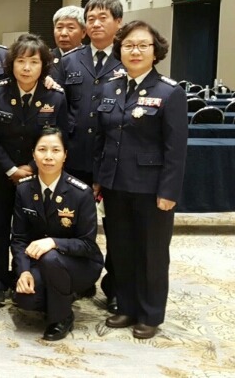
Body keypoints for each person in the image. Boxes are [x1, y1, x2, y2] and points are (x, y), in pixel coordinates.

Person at [93, 20, 187, 339]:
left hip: (151, 188)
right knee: (121, 249)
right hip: (115, 185)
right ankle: (126, 306)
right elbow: (103, 139)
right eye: (129, 45)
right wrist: (99, 178)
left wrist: (169, 191)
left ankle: (150, 314)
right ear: (119, 50)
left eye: (143, 45)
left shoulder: (169, 92)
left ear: (155, 52)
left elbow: (176, 149)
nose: (135, 51)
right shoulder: (110, 88)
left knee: (152, 253)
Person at [0, 33, 67, 305]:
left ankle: (24, 276)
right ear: (11, 63)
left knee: (29, 228)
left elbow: (58, 136)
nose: (26, 68)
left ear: (44, 66)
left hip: (37, 174)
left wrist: (29, 167)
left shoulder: (55, 96)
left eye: (34, 62)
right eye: (20, 61)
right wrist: (11, 169)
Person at [53, 0, 124, 312]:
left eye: (103, 18)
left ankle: (116, 287)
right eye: (91, 18)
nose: (96, 24)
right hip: (74, 158)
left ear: (118, 23)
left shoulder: (128, 58)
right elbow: (55, 110)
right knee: (69, 223)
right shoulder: (69, 62)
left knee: (117, 227)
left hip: (114, 159)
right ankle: (77, 279)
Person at [12, 127, 104, 341]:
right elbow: (19, 239)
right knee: (24, 299)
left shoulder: (80, 193)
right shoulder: (24, 189)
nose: (48, 156)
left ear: (65, 155)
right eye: (42, 149)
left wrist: (53, 242)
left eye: (55, 150)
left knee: (51, 257)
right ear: (33, 154)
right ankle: (64, 294)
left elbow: (87, 244)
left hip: (80, 264)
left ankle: (62, 316)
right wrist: (23, 272)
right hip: (41, 264)